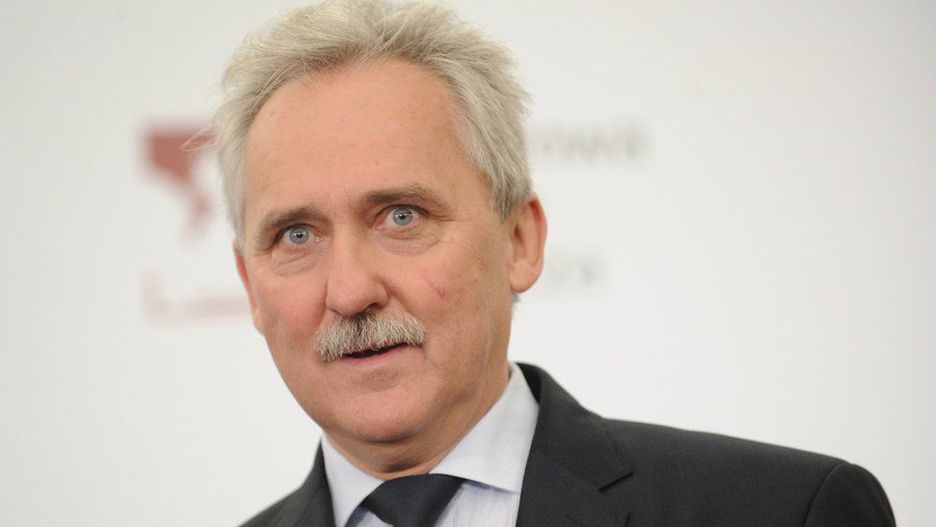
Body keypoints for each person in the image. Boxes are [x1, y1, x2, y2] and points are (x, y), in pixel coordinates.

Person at [213, 1, 895, 525]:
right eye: (296, 235)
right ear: (250, 286)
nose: (350, 289)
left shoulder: (787, 511)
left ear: (519, 240)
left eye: (401, 216)